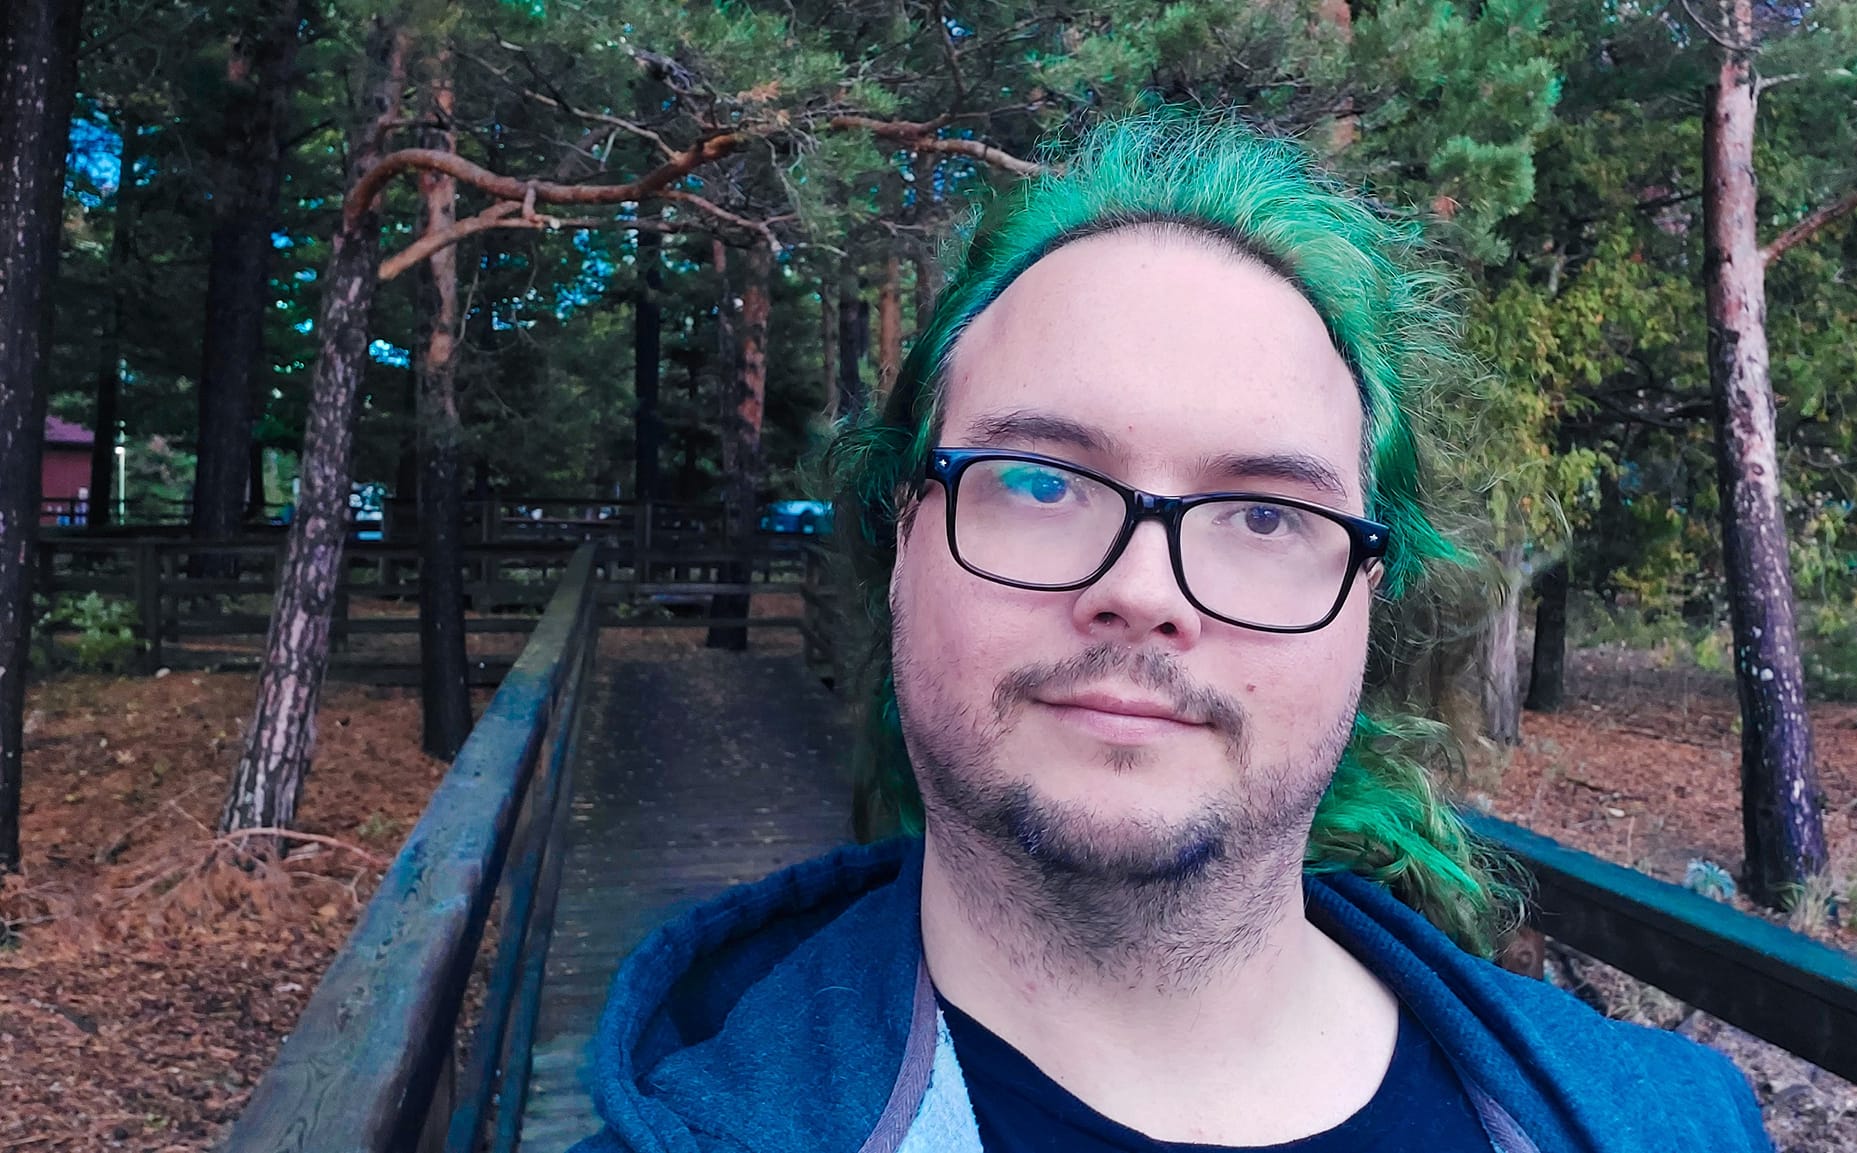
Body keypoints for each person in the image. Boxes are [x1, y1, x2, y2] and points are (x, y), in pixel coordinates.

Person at [573, 112, 1774, 1153]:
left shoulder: (1676, 1123)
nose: (1145, 591)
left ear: (1369, 601)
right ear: (901, 545)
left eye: (1265, 512)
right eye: (1039, 481)